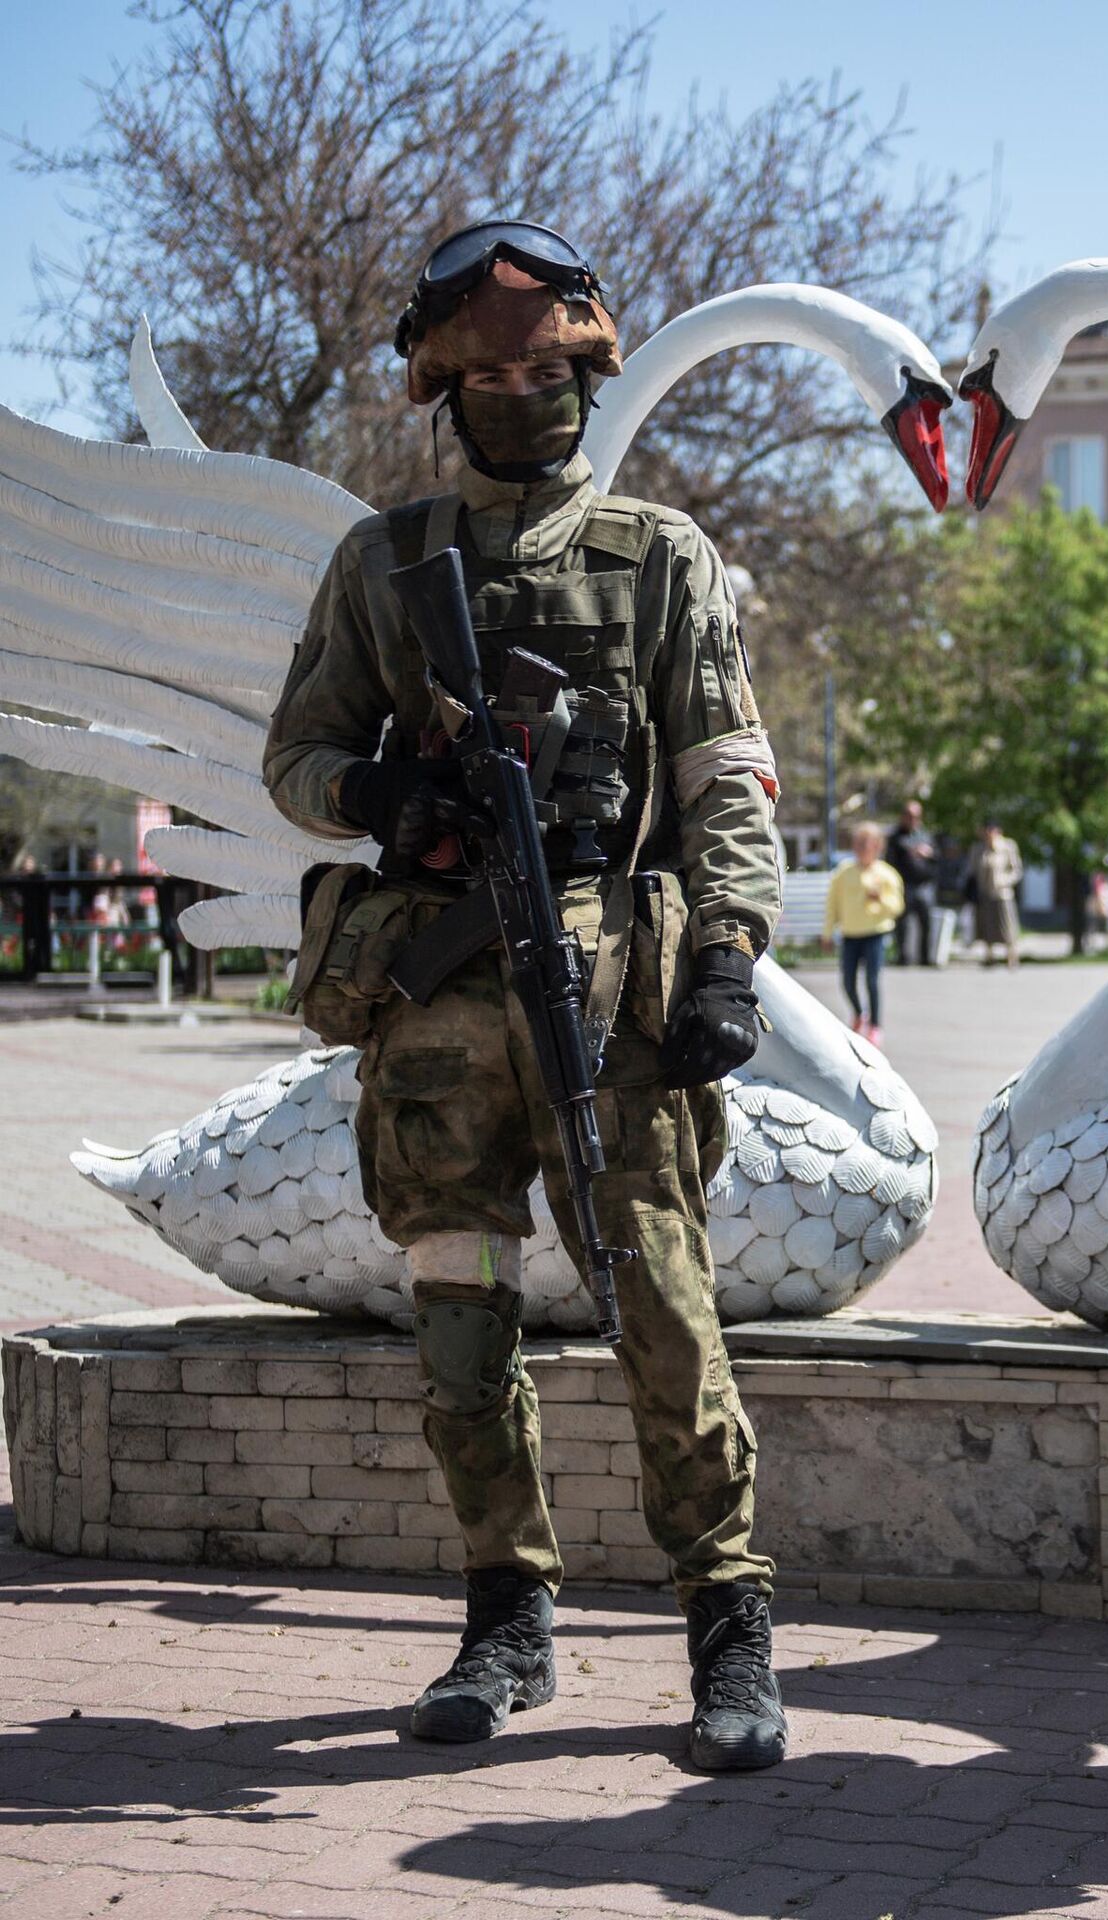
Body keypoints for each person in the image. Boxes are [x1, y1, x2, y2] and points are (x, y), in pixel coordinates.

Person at [264, 220, 787, 1771]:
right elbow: (294, 761)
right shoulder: (380, 561)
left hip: (609, 999)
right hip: (434, 1005)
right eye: (488, 373)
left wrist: (730, 957)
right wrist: (380, 792)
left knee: (667, 1323)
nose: (521, 393)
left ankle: (730, 1628)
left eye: (548, 368)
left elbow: (727, 782)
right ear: (444, 386)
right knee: (459, 1340)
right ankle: (505, 1621)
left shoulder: (657, 556)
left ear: (588, 371)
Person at [823, 821, 904, 1043]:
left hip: (875, 933)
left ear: (877, 846)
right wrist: (828, 933)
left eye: (865, 844)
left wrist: (881, 899)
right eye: (857, 843)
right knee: (848, 981)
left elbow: (897, 907)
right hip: (850, 933)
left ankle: (876, 1025)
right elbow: (833, 904)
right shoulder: (843, 872)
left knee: (872, 980)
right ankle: (859, 1013)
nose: (860, 848)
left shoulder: (887, 874)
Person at [885, 800, 939, 966]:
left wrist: (929, 854)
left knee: (927, 923)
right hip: (904, 886)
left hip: (924, 886)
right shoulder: (895, 837)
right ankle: (903, 957)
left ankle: (925, 957)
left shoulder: (925, 835)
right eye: (909, 816)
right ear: (903, 816)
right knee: (902, 924)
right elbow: (890, 861)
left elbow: (938, 857)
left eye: (916, 816)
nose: (912, 819)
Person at [969, 822, 1023, 968]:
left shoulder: (1008, 847)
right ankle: (989, 956)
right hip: (985, 893)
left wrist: (1004, 880)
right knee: (986, 925)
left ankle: (1011, 956)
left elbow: (1016, 870)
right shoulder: (978, 849)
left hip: (1003, 893)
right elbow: (972, 871)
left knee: (1007, 926)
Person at [1087, 869, 1108, 954]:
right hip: (1100, 910)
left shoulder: (1105, 887)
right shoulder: (1099, 887)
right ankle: (1092, 945)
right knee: (1094, 928)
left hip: (1107, 910)